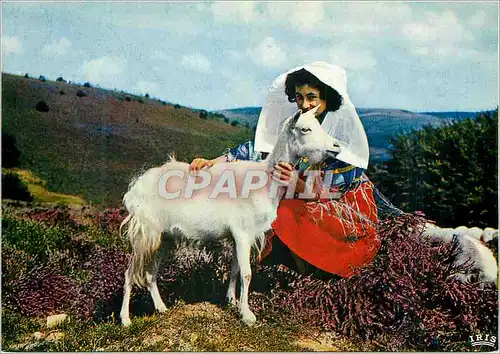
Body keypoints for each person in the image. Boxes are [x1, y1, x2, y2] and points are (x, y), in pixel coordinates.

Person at [189, 62, 383, 278]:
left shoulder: (339, 138)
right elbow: (258, 150)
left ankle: (314, 279)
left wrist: (296, 183)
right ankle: (295, 276)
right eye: (299, 97)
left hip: (342, 210)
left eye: (312, 97)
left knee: (284, 211)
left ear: (327, 99)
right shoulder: (297, 124)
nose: (305, 104)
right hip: (305, 200)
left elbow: (329, 194)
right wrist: (212, 162)